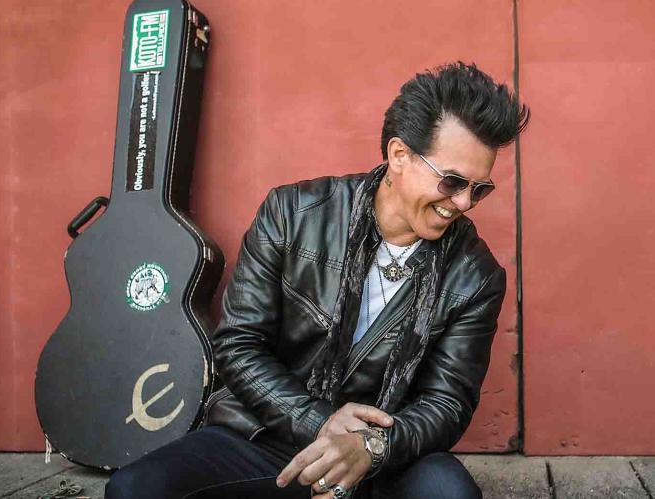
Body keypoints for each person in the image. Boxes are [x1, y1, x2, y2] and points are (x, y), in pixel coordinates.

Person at [105, 61, 530, 499]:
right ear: (399, 155)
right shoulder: (292, 215)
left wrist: (371, 445)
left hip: (385, 456)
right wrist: (320, 422)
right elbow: (238, 344)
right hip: (268, 437)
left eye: (480, 189)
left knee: (449, 493)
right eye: (453, 181)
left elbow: (447, 402)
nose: (464, 203)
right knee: (136, 489)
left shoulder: (475, 276)